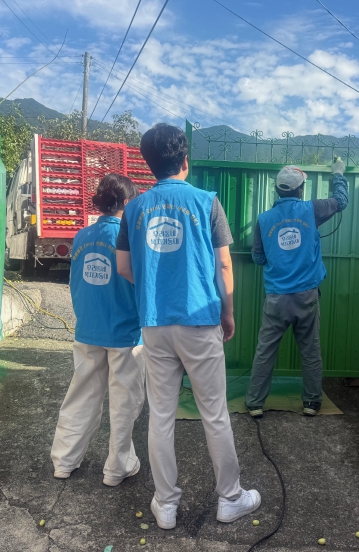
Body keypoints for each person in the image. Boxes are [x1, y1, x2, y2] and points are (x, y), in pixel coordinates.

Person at [116, 123, 260, 529]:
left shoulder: (133, 209)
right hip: (199, 320)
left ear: (149, 164)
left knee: (161, 415)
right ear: (185, 160)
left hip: (154, 324)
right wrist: (228, 313)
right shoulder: (206, 202)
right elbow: (224, 265)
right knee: (214, 413)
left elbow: (124, 267)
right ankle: (230, 498)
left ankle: (165, 504)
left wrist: (154, 289)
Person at [50, 174, 145, 487]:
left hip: (88, 329)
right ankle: (117, 467)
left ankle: (64, 461)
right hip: (125, 332)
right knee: (124, 402)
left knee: (80, 397)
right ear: (127, 203)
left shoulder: (82, 236)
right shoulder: (131, 237)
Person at [245, 160, 349, 418]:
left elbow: (257, 257)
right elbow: (341, 201)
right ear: (300, 189)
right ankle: (311, 403)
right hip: (306, 296)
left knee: (265, 351)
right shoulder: (312, 209)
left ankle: (255, 403)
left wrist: (278, 258)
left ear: (277, 190)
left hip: (276, 298)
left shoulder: (263, 219)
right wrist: (338, 174)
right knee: (310, 352)